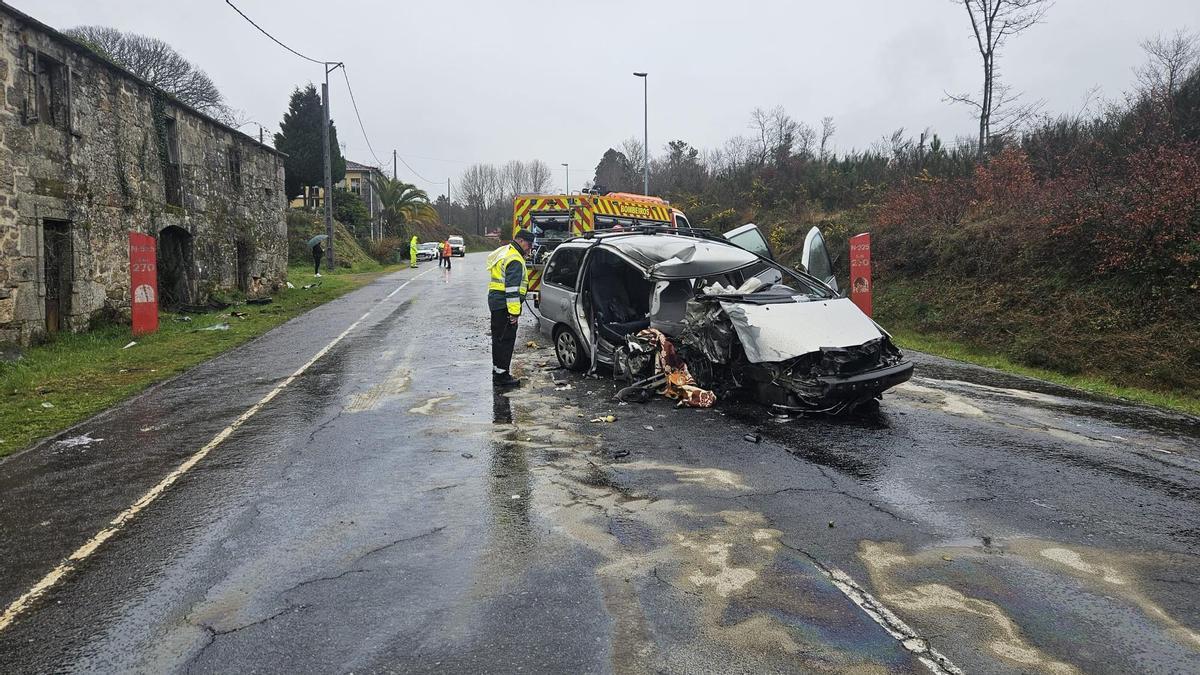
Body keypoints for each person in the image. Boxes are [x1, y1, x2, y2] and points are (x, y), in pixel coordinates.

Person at [487, 229, 534, 388]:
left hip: (497, 302)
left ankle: (498, 371)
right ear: (520, 241)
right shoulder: (514, 259)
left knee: (498, 340)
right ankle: (502, 377)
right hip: (505, 306)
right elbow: (512, 290)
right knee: (505, 341)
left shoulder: (505, 251)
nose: (530, 248)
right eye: (528, 244)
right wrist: (514, 313)